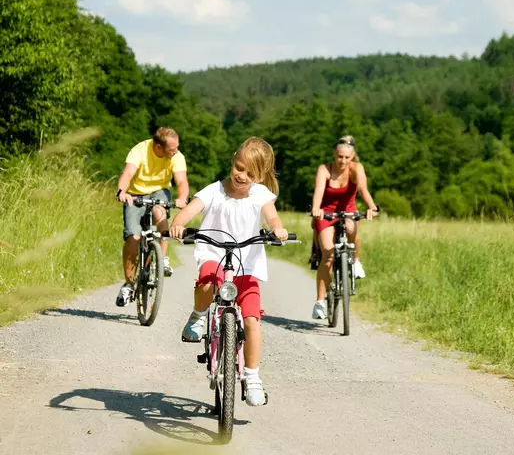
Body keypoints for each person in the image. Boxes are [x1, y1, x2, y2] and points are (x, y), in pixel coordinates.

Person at [169, 137, 289, 407]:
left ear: (260, 176)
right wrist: (178, 223)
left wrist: (277, 229)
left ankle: (253, 376)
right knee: (207, 285)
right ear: (233, 160)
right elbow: (190, 210)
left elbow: (271, 216)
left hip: (247, 265)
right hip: (214, 254)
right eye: (238, 167)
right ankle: (199, 316)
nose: (241, 175)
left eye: (249, 173)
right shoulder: (215, 190)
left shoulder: (260, 195)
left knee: (251, 321)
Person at [115, 127, 189, 307]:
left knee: (159, 211)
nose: (176, 151)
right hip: (134, 194)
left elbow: (181, 181)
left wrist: (182, 198)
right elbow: (128, 173)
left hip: (159, 191)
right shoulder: (139, 150)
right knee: (133, 237)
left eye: (176, 147)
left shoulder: (176, 156)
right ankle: (129, 284)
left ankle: (161, 258)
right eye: (172, 149)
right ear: (158, 147)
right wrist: (122, 191)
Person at [310, 135, 377, 320]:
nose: (343, 161)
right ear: (335, 154)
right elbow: (318, 192)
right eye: (340, 157)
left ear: (353, 156)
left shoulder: (357, 169)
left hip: (348, 210)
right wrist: (316, 209)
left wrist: (372, 207)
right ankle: (320, 302)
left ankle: (355, 261)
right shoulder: (324, 169)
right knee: (328, 254)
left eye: (347, 158)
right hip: (326, 213)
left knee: (351, 229)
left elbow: (363, 189)